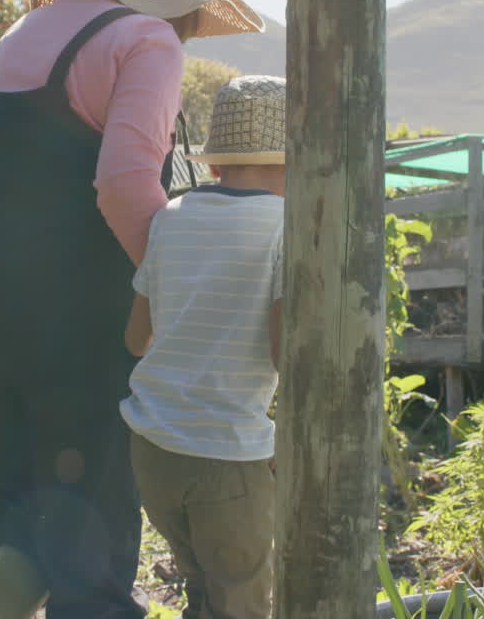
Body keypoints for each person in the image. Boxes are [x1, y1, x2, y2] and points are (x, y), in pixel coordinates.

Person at [0, 0, 264, 619]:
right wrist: (171, 285)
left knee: (27, 512)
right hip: (76, 325)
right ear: (178, 12)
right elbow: (123, 184)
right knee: (92, 543)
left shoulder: (22, 34)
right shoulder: (146, 40)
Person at [122, 76, 287, 619]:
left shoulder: (169, 218)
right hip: (226, 453)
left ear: (216, 162)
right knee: (241, 601)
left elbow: (135, 338)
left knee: (201, 591)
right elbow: (286, 352)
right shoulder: (285, 226)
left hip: (154, 450)